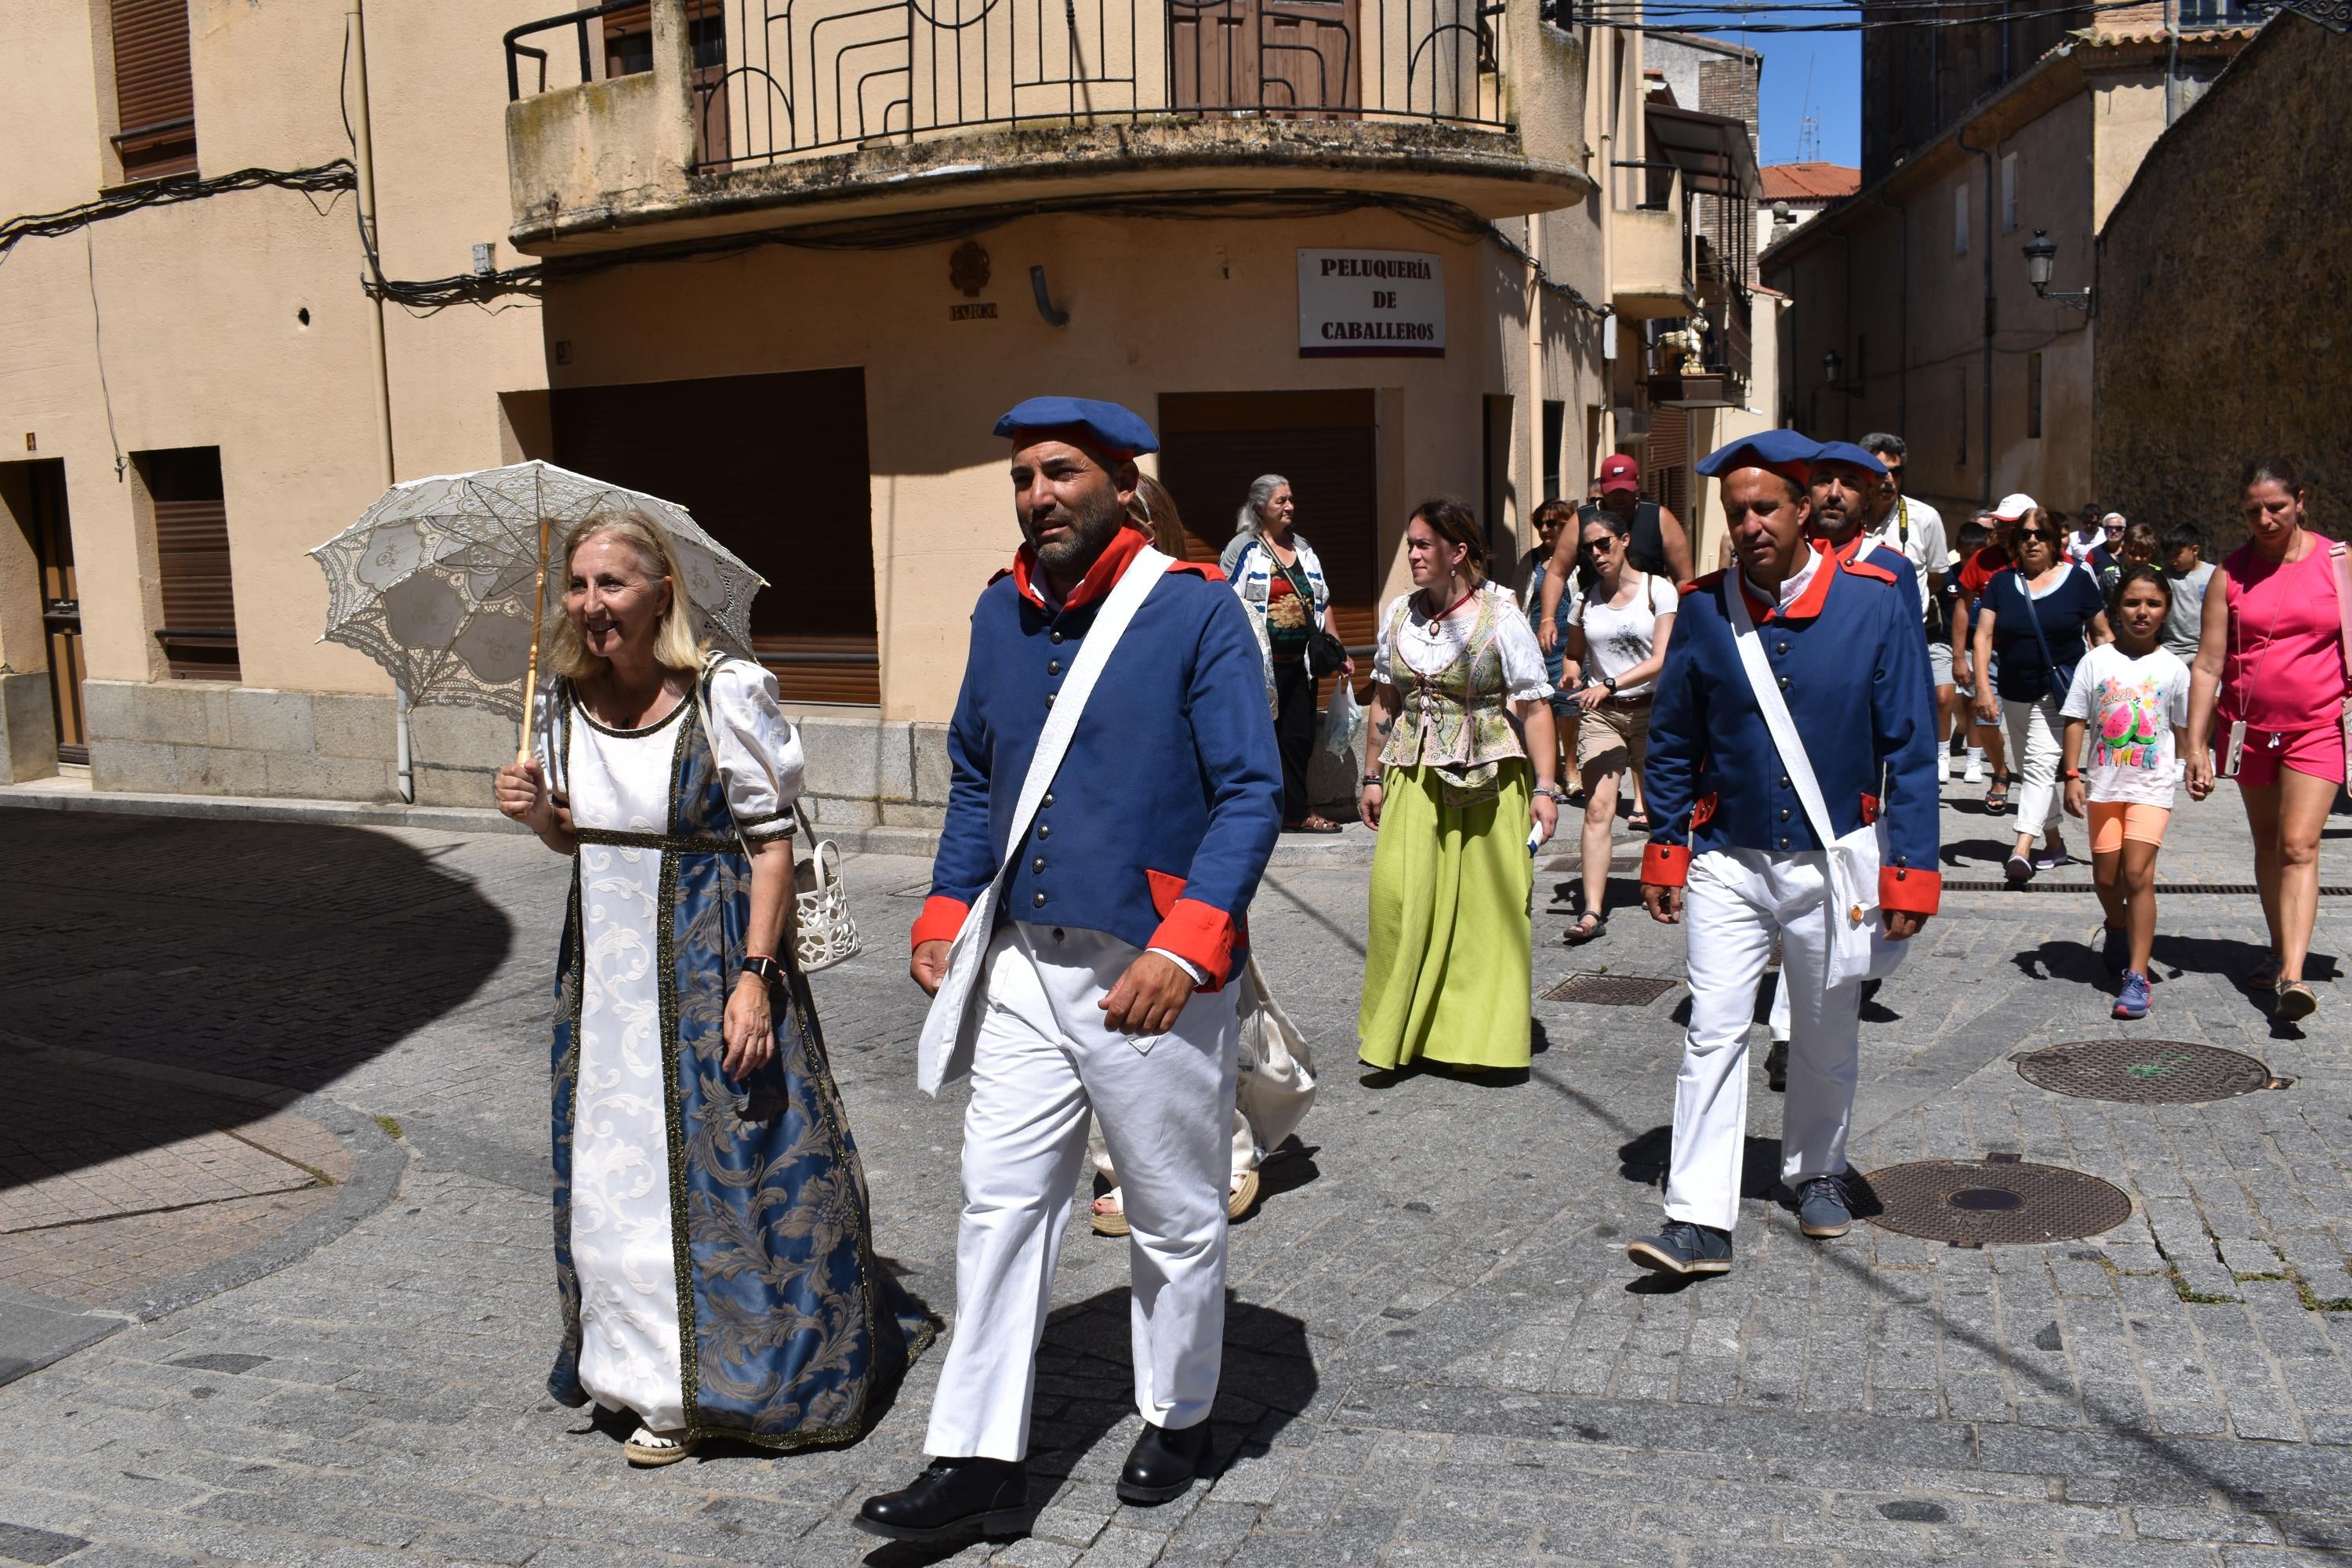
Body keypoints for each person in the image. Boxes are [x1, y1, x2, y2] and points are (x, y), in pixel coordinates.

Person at [858, 398, 1282, 1541]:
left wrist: (1185, 949)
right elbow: (975, 775)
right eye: (1023, 478)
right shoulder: (999, 612)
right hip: (1021, 965)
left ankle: (1181, 1407)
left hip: (1149, 963)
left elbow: (1251, 792)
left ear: (1120, 485)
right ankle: (976, 1458)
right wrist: (947, 911)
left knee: (1173, 1206)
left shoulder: (1193, 611)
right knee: (1000, 1206)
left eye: (1060, 473)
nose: (1037, 495)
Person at [493, 511, 931, 1468]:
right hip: (603, 979)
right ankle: (628, 1362)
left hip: (708, 961)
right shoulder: (564, 704)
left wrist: (755, 981)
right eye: (578, 585)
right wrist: (541, 817)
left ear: (661, 592)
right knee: (616, 1169)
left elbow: (769, 845)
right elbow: (584, 839)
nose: (591, 604)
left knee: (717, 1169)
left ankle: (711, 1384)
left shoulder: (724, 695)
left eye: (612, 583)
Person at [1628, 430, 1939, 1279]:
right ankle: (1696, 1216)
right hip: (1727, 859)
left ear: (1806, 511)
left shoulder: (1876, 603)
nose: (1751, 524)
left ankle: (1817, 1172)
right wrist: (1665, 845)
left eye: (1767, 507)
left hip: (1831, 861)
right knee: (1714, 1034)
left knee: (1826, 1031)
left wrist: (1912, 867)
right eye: (1737, 512)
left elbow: (1910, 745)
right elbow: (1674, 738)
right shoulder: (1702, 608)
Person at [1356, 499, 1563, 1074]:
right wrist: (1370, 774)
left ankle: (1476, 1043)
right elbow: (1385, 698)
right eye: (1411, 544)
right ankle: (1404, 1029)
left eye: (1423, 545)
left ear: (1458, 553)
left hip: (1490, 781)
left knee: (1484, 912)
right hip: (1413, 776)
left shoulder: (1500, 615)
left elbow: (1535, 705)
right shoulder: (1400, 612)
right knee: (1399, 898)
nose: (1413, 555)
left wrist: (1546, 788)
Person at [2185, 457, 2345, 1022]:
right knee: (2269, 846)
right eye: (2253, 510)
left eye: (2276, 507)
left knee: (2300, 843)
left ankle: (2294, 978)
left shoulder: (2339, 564)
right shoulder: (2230, 573)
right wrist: (2196, 746)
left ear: (2301, 499)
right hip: (2249, 732)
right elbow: (2207, 665)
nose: (2266, 519)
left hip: (2319, 726)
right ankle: (2281, 948)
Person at [2060, 566, 2191, 1021]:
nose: (2142, 612)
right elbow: (2076, 717)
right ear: (2116, 609)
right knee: (2105, 877)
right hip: (2104, 784)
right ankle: (2116, 926)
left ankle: (2137, 976)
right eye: (2133, 603)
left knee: (2137, 875)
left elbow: (2183, 725)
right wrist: (2072, 774)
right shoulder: (2095, 660)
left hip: (2151, 788)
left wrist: (2194, 761)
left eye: (2153, 604)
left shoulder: (2174, 668)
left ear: (2166, 611)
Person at [1972, 503, 2111, 882]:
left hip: (2062, 694)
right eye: (2025, 535)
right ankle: (2054, 843)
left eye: (2041, 535)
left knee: (2038, 766)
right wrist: (1983, 686)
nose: (2033, 541)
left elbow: (2101, 634)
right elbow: (1983, 636)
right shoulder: (2003, 583)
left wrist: (2112, 686)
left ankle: (2021, 850)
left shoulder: (2079, 579)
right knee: (2031, 767)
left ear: (2054, 541)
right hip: (2015, 691)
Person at [1562, 506, 1676, 943]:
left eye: (1603, 544)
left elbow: (1661, 659)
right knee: (1598, 808)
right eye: (1588, 548)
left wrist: (1608, 683)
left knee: (1664, 809)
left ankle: (1668, 884)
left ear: (1624, 541)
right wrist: (1572, 674)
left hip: (1655, 710)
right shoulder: (1585, 599)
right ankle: (1591, 911)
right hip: (1601, 713)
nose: (1596, 554)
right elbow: (1573, 655)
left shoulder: (1658, 591)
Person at [1224, 474, 1355, 833]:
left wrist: (1338, 648)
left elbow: (1322, 602)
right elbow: (1225, 603)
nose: (1290, 506)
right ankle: (1254, 814)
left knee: (1298, 740)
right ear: (1259, 507)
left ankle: (1295, 812)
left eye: (1290, 499)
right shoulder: (1243, 549)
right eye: (1281, 501)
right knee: (1258, 739)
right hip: (1258, 667)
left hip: (1301, 666)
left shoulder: (1304, 548)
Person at [1859, 434, 1955, 779]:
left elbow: (1936, 578)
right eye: (1879, 471)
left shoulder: (1925, 518)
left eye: (1896, 473)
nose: (1888, 481)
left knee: (1907, 741)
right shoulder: (1847, 516)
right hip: (1857, 643)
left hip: (1908, 646)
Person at [1537, 455, 1692, 661]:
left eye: (1625, 490)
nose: (1619, 497)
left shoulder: (1660, 518)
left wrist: (1687, 620)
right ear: (1602, 486)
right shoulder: (1582, 521)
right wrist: (1547, 618)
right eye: (1613, 490)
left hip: (1649, 623)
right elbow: (1557, 572)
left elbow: (1684, 579)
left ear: (1637, 484)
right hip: (1597, 626)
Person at [1521, 498, 1583, 801]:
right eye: (1541, 524)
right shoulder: (1530, 561)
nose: (1545, 530)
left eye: (1552, 524)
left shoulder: (1580, 559)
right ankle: (1551, 773)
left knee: (1569, 706)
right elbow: (1520, 601)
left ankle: (1571, 770)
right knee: (1542, 707)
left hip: (1570, 645)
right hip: (1537, 646)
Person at [1951, 514, 2013, 794]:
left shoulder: (2049, 561)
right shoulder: (1982, 560)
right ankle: (2000, 770)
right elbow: (1962, 607)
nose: (2003, 530)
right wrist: (1959, 656)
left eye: (2011, 524)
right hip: (1990, 651)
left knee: (2033, 736)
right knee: (1985, 718)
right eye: (1999, 523)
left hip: (2030, 655)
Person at [2160, 521, 2213, 662]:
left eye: (2177, 555)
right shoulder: (2163, 577)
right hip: (2172, 649)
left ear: (2195, 550)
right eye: (2169, 556)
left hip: (2205, 650)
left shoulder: (2213, 576)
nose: (2173, 561)